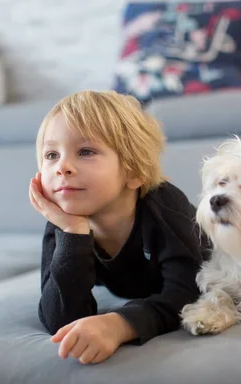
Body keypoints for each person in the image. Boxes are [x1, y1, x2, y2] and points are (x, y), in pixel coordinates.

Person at [28, 90, 210, 365]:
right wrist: (73, 233)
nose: (62, 167)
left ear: (134, 171)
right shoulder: (63, 221)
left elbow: (190, 293)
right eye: (51, 154)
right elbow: (61, 320)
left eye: (86, 151)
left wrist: (121, 324)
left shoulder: (164, 207)